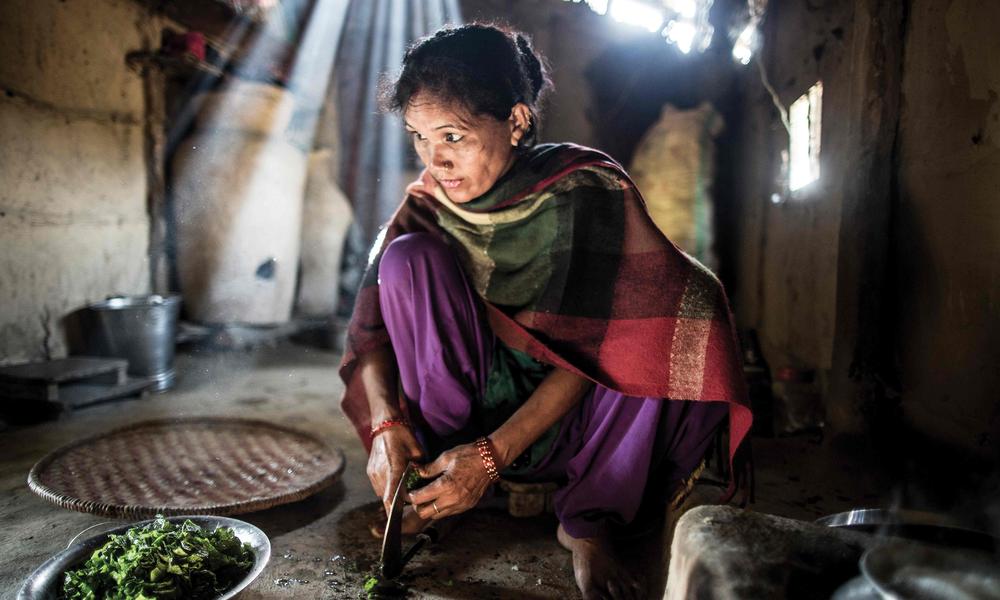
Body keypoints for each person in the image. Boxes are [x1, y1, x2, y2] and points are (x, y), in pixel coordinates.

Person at [338, 23, 752, 600]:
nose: (436, 159)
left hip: (578, 420)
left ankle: (587, 519)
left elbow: (597, 352)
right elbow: (372, 335)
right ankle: (436, 487)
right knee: (404, 259)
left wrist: (490, 458)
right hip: (467, 412)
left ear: (515, 121)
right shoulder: (429, 203)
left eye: (453, 136)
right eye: (418, 137)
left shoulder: (584, 190)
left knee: (665, 311)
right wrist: (387, 425)